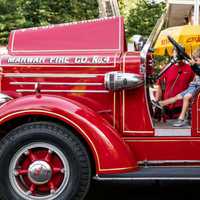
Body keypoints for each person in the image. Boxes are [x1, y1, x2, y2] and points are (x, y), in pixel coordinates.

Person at [153, 48, 200, 127]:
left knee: (186, 97)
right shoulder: (167, 68)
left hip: (184, 104)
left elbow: (197, 72)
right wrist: (157, 99)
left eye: (180, 53)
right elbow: (159, 85)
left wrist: (193, 64)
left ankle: (181, 119)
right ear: (172, 54)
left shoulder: (190, 68)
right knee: (177, 97)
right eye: (176, 52)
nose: (178, 55)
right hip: (167, 112)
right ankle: (160, 104)